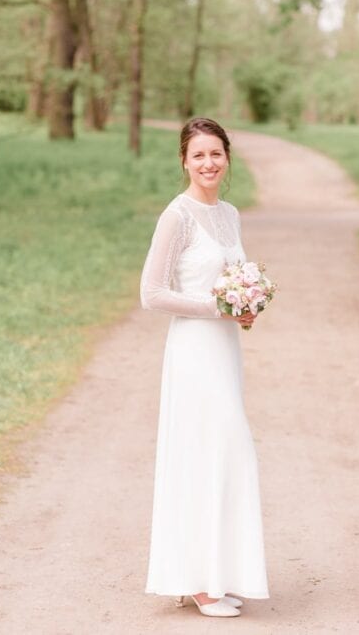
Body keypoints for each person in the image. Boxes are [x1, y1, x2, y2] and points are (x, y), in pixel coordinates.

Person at [139, 117, 269, 618]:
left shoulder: (231, 214)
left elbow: (233, 277)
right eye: (198, 156)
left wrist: (246, 305)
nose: (208, 163)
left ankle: (208, 574)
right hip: (193, 350)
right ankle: (199, 582)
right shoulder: (177, 216)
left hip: (225, 348)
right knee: (210, 448)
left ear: (227, 157)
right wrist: (218, 308)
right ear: (184, 161)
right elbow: (151, 293)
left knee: (222, 453)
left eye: (216, 154)